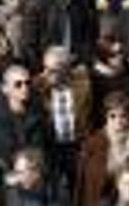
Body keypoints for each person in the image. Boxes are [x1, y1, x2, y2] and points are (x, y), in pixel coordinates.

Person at [0, 64, 49, 192]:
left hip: (31, 176)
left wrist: (34, 170)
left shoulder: (37, 113)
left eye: (28, 83)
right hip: (2, 180)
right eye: (18, 84)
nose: (25, 88)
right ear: (5, 89)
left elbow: (41, 147)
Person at [34, 46, 92, 197]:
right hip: (52, 146)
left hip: (76, 145)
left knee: (78, 188)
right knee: (51, 190)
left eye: (52, 70)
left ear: (66, 69)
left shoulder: (83, 84)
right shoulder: (38, 86)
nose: (46, 74)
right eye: (45, 68)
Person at [76, 92, 129, 206]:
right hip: (108, 197)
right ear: (106, 116)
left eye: (123, 115)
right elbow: (90, 182)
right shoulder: (95, 142)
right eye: (113, 116)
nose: (118, 121)